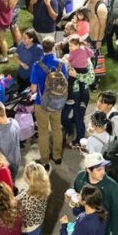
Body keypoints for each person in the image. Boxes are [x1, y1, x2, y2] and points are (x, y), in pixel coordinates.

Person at [31, 37, 68, 168]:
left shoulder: (37, 65)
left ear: (42, 48)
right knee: (57, 129)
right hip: (57, 102)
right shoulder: (61, 64)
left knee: (43, 132)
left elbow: (34, 88)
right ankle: (57, 156)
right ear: (53, 47)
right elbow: (65, 81)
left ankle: (45, 160)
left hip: (42, 102)